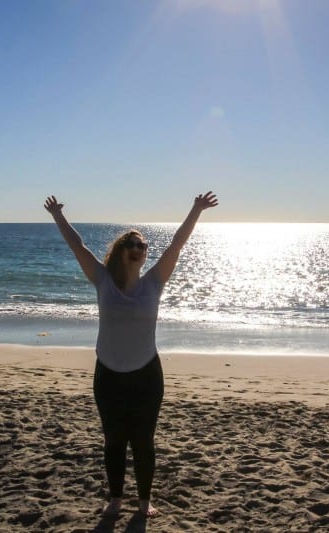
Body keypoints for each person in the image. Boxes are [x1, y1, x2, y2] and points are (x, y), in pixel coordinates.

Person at [44, 191, 218, 518]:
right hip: (108, 373)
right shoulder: (102, 281)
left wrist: (196, 210)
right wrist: (57, 216)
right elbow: (77, 246)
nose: (140, 249)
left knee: (143, 441)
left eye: (143, 246)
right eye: (134, 244)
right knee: (113, 440)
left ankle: (143, 502)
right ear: (122, 250)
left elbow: (176, 246)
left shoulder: (154, 282)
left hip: (146, 373)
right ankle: (115, 499)